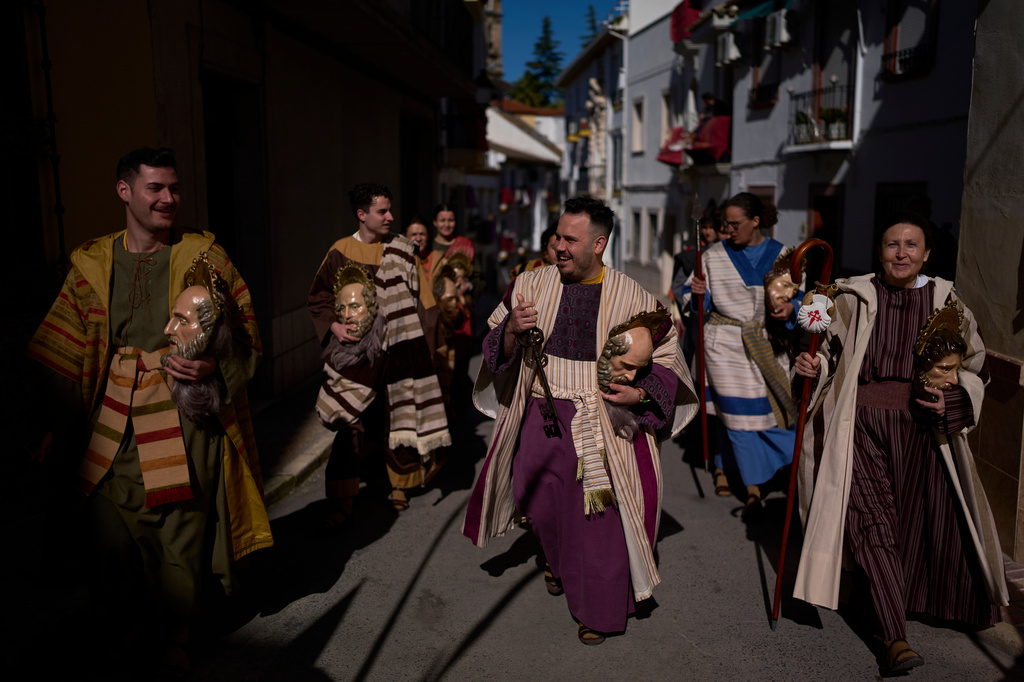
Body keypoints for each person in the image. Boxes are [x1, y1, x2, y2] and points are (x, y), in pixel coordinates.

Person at [25, 147, 271, 676]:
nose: (168, 199)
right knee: (107, 533)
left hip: (184, 416)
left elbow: (244, 331)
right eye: (155, 188)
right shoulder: (90, 264)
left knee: (179, 527)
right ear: (124, 191)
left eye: (174, 189)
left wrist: (212, 368)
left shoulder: (207, 258)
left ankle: (176, 635)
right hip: (111, 415)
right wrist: (53, 420)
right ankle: (121, 626)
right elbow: (65, 347)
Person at [463, 197, 697, 645]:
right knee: (540, 503)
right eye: (557, 236)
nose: (559, 247)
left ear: (599, 243)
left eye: (571, 239)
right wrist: (511, 328)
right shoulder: (528, 284)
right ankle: (557, 559)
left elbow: (668, 360)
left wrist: (641, 392)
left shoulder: (635, 297)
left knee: (599, 520)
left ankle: (600, 611)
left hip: (604, 420)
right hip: (540, 411)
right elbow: (494, 341)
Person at [792, 212, 1007, 673]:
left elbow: (975, 366)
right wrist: (811, 368)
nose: (902, 253)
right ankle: (894, 638)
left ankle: (880, 602)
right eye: (893, 244)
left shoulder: (948, 304)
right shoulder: (850, 297)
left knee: (913, 522)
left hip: (921, 430)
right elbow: (824, 352)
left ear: (927, 254)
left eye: (912, 245)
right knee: (874, 525)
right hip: (861, 424)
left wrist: (952, 400)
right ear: (880, 251)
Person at [308, 183, 450, 521]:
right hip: (354, 353)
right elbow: (319, 297)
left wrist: (431, 352)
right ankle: (343, 497)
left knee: (398, 415)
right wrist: (334, 327)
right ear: (362, 215)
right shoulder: (340, 251)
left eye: (390, 210)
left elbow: (424, 301)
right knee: (348, 423)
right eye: (382, 211)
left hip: (399, 349)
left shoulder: (402, 249)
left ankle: (400, 484)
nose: (390, 216)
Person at [685, 192, 800, 512]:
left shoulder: (783, 255)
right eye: (726, 224)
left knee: (773, 412)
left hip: (767, 343)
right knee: (737, 416)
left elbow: (801, 296)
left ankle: (741, 468)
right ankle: (753, 483)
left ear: (756, 222)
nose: (729, 229)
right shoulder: (712, 255)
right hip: (724, 345)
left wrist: (791, 307)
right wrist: (696, 294)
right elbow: (695, 302)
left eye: (735, 224)